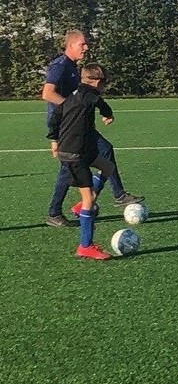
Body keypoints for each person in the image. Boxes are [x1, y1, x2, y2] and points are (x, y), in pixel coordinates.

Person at [43, 30, 141, 226]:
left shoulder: (72, 66)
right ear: (70, 45)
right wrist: (70, 109)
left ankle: (113, 195)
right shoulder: (60, 66)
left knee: (105, 150)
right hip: (68, 125)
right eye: (82, 44)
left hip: (78, 123)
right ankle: (56, 212)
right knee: (68, 167)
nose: (86, 48)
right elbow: (47, 93)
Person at [47, 63, 119, 260]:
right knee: (89, 200)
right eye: (104, 83)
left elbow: (55, 117)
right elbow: (101, 103)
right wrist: (108, 114)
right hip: (75, 154)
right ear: (96, 82)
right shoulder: (91, 96)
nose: (104, 87)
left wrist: (54, 139)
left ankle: (81, 207)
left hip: (77, 150)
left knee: (108, 167)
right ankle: (85, 246)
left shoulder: (71, 96)